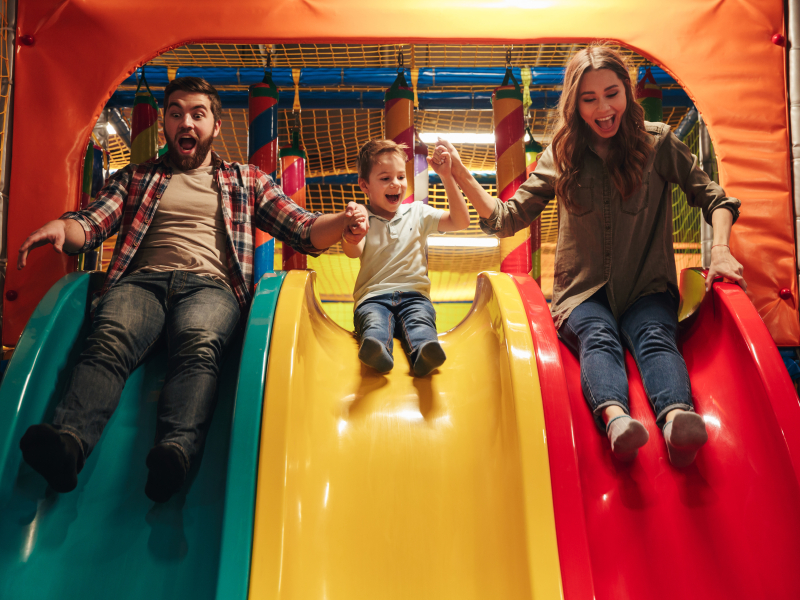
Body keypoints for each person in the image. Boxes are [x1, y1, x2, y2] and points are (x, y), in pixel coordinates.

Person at [16, 77, 369, 502]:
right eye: (176, 112)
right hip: (141, 282)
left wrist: (344, 220)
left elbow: (304, 229)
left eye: (198, 114)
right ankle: (68, 443)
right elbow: (92, 223)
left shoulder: (246, 180)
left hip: (211, 286)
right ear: (165, 124)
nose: (186, 121)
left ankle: (175, 452)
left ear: (216, 127)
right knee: (109, 339)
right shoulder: (138, 177)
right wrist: (62, 226)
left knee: (199, 344)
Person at [434, 45, 746, 467]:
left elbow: (717, 200)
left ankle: (676, 420)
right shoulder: (561, 157)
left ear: (627, 93)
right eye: (589, 99)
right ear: (575, 105)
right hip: (582, 294)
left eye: (612, 93)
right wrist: (461, 175)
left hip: (646, 287)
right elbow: (506, 219)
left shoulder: (658, 144)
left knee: (656, 337)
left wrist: (722, 251)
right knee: (597, 338)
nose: (603, 108)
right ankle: (617, 421)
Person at [342, 139, 470, 376]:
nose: (396, 184)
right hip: (373, 297)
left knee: (421, 322)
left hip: (415, 296)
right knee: (373, 322)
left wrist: (446, 177)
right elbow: (354, 251)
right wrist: (352, 232)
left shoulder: (418, 212)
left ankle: (424, 351)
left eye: (401, 177)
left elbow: (461, 221)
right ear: (364, 185)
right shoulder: (362, 217)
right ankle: (376, 349)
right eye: (385, 178)